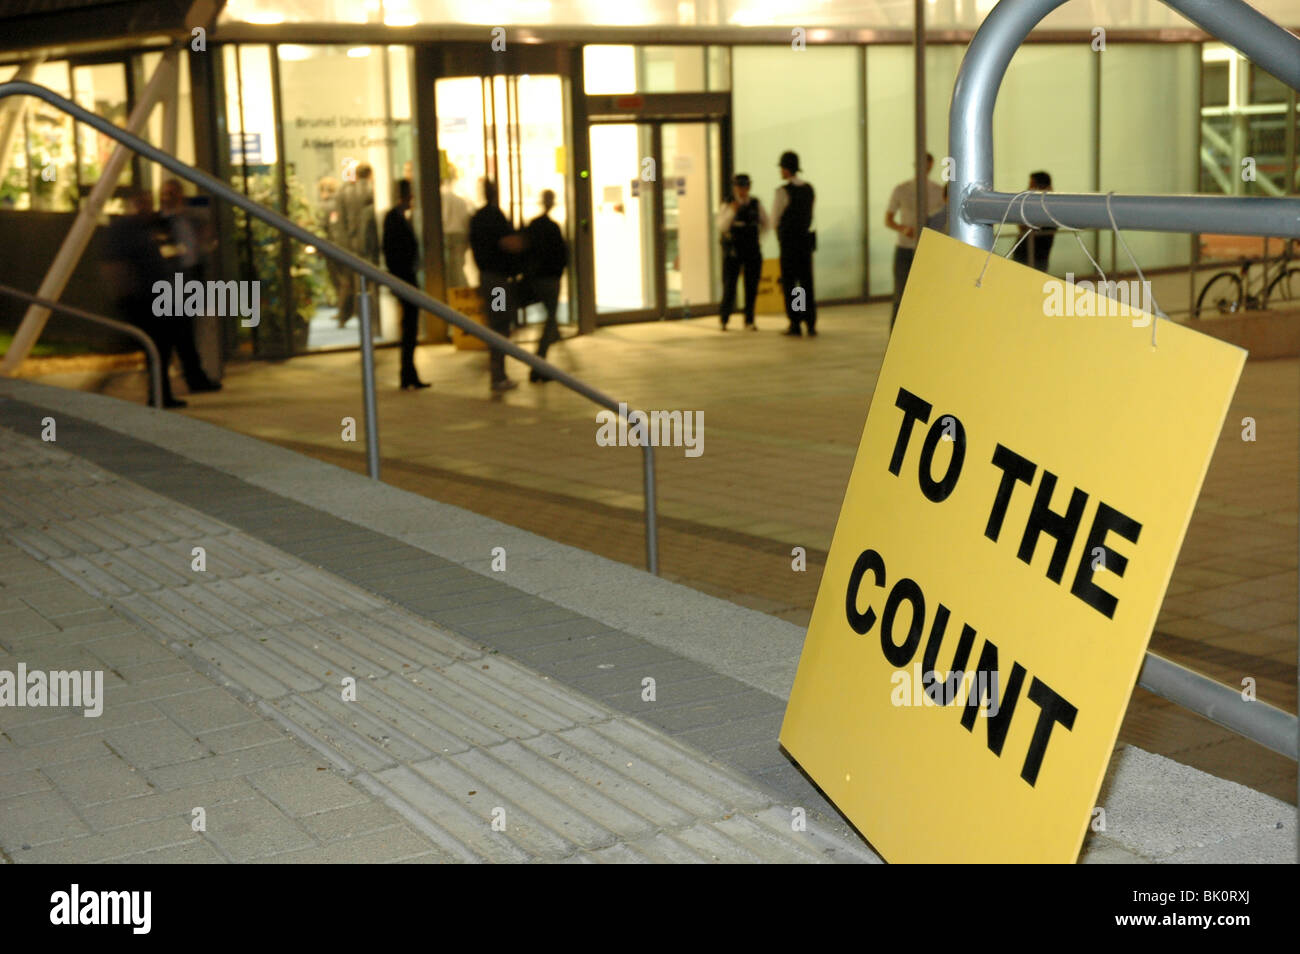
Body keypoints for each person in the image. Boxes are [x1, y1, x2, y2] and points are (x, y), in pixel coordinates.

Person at [102, 188, 184, 409]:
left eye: (148, 202)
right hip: (143, 298)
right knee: (154, 345)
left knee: (161, 346)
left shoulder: (150, 228)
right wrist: (125, 295)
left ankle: (160, 393)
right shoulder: (125, 229)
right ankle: (158, 394)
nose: (146, 207)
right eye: (141, 203)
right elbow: (115, 264)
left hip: (158, 295)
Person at [158, 178, 221, 394]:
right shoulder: (160, 223)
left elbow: (205, 237)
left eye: (173, 193)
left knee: (187, 330)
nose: (169, 197)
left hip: (191, 277)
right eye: (166, 193)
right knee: (178, 332)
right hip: (170, 282)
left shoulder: (189, 218)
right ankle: (187, 379)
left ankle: (192, 377)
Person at [470, 179, 524, 392]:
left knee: (496, 322)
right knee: (500, 324)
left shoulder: (477, 217)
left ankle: (498, 372)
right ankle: (498, 374)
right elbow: (507, 243)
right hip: (498, 281)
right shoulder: (494, 216)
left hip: (486, 277)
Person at [886, 152, 946, 329]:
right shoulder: (901, 189)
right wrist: (903, 229)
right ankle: (896, 337)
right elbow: (888, 219)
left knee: (926, 295)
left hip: (927, 248)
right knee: (900, 295)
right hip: (905, 247)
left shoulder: (937, 191)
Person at [383, 178, 428, 390]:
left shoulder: (399, 218)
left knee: (410, 326)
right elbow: (394, 252)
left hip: (406, 277)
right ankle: (407, 372)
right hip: (404, 278)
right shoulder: (394, 219)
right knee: (409, 326)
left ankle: (409, 372)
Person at [523, 189, 568, 382]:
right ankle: (538, 364)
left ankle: (539, 363)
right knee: (550, 320)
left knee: (549, 319)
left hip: (537, 278)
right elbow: (561, 254)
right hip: (549, 278)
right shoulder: (552, 227)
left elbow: (526, 250)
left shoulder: (534, 226)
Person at [716, 173, 768, 331]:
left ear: (749, 187)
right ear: (734, 187)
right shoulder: (728, 203)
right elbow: (721, 226)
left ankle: (749, 319)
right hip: (733, 249)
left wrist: (759, 239)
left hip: (751, 247)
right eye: (739, 186)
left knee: (751, 285)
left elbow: (766, 223)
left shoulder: (755, 203)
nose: (742, 190)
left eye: (745, 186)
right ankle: (724, 318)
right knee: (730, 284)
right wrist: (732, 211)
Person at [773, 151, 816, 336]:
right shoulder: (809, 189)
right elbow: (810, 215)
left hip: (789, 243)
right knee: (805, 282)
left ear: (786, 169)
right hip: (805, 242)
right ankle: (810, 321)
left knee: (792, 284)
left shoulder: (782, 191)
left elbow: (775, 219)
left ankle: (795, 321)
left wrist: (781, 236)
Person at [335, 162, 380, 328]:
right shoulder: (371, 190)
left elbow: (340, 222)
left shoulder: (344, 192)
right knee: (368, 282)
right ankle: (369, 320)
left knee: (349, 281)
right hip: (367, 242)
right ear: (369, 174)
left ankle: (344, 316)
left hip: (349, 242)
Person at [1012, 170, 1055, 272]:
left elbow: (1025, 225)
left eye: (1032, 185)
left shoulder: (1049, 205)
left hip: (1036, 256)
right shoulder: (1034, 203)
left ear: (1042, 187)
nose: (1028, 189)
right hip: (1024, 254)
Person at [441, 165, 474, 288]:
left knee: (451, 267)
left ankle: (456, 290)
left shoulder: (443, 198)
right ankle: (460, 289)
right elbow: (465, 221)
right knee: (459, 265)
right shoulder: (460, 200)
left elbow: (443, 217)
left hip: (449, 234)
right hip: (460, 234)